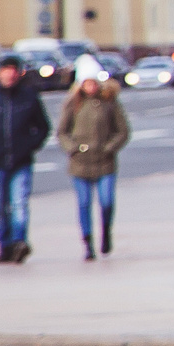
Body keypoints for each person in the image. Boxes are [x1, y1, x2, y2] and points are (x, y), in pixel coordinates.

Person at [0, 55, 50, 263]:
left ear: (19, 74)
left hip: (21, 161)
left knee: (19, 203)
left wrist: (30, 146)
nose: (9, 75)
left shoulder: (28, 98)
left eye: (13, 71)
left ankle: (19, 242)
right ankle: (4, 246)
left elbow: (42, 127)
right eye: (6, 71)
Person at [58, 59, 130, 260]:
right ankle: (88, 242)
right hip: (80, 162)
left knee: (106, 201)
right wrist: (72, 148)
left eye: (93, 82)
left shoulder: (109, 102)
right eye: (86, 83)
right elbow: (62, 132)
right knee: (84, 203)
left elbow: (122, 131)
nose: (90, 87)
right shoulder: (72, 104)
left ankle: (106, 232)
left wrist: (109, 148)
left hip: (104, 161)